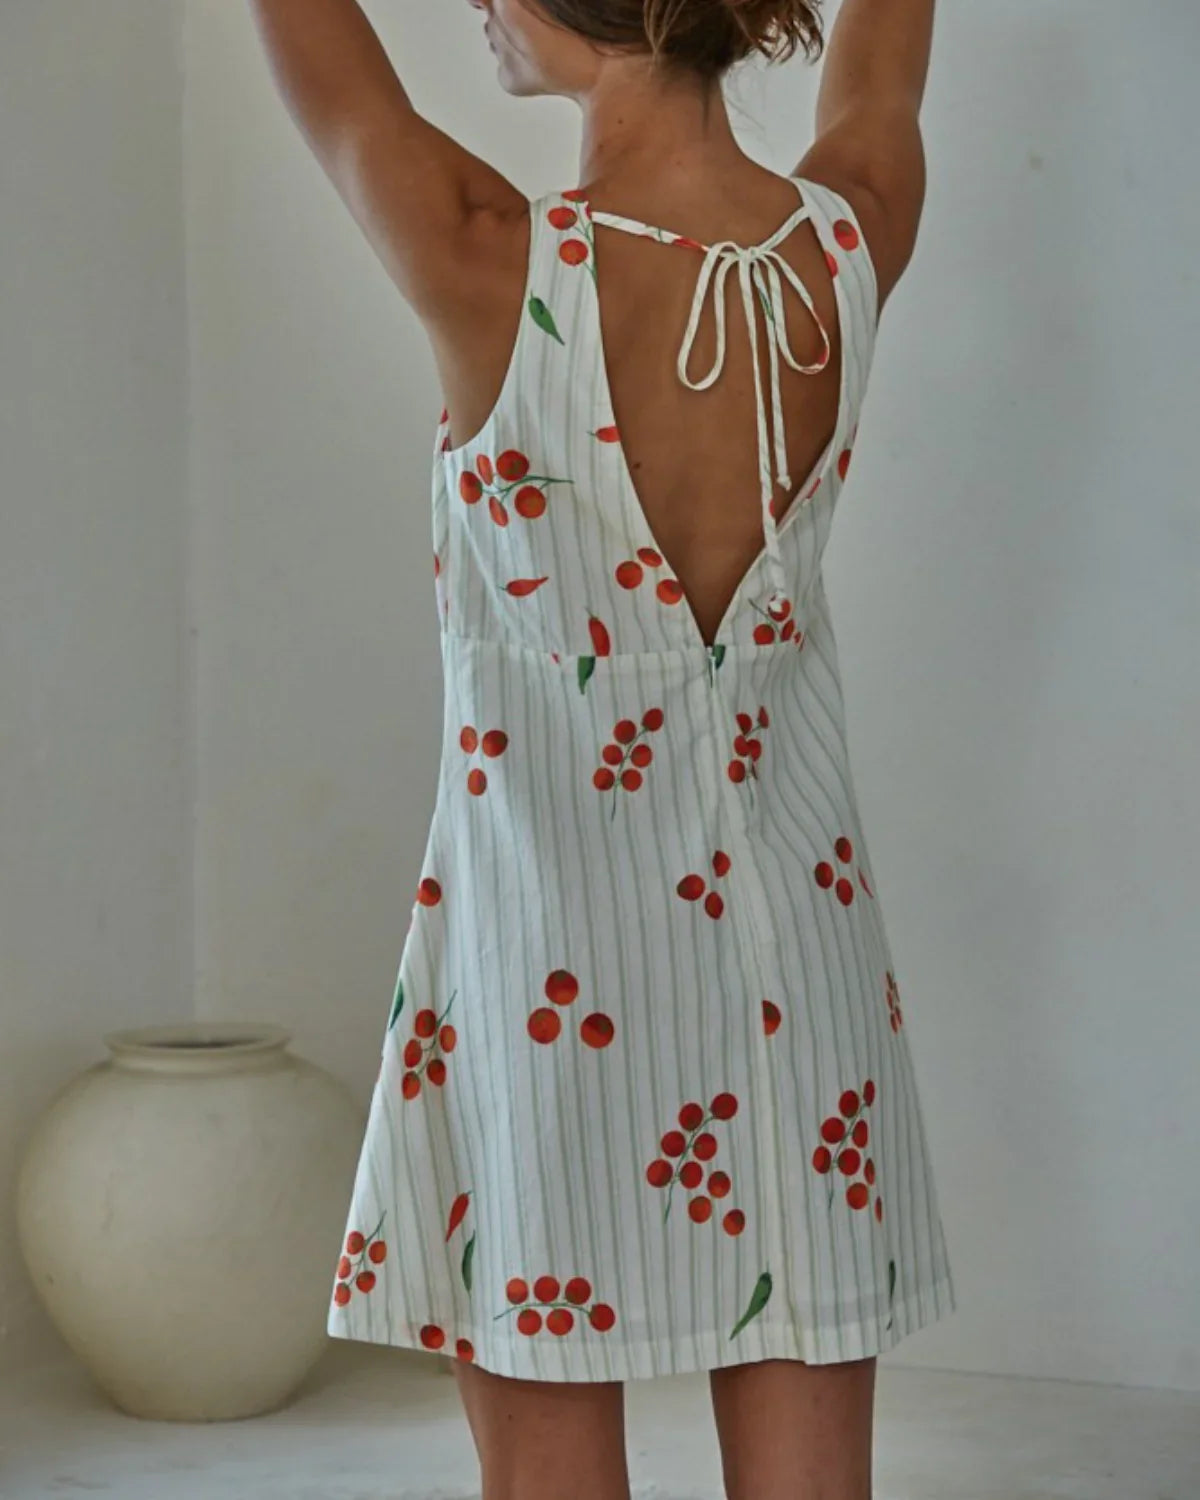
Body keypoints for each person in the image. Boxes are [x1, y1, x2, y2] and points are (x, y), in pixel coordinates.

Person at [250, 1, 951, 1495]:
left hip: (551, 981)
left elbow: (314, 44)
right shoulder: (852, 234)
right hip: (800, 964)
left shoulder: (491, 253)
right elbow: (887, 58)